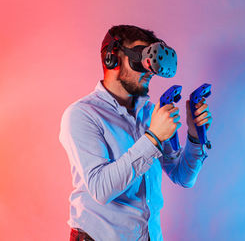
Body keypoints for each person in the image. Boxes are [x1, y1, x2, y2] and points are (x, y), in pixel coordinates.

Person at [59, 25, 212, 241]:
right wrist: (153, 138)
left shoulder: (151, 113)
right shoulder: (82, 114)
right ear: (113, 59)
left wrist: (195, 137)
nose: (149, 70)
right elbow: (101, 189)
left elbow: (183, 176)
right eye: (141, 58)